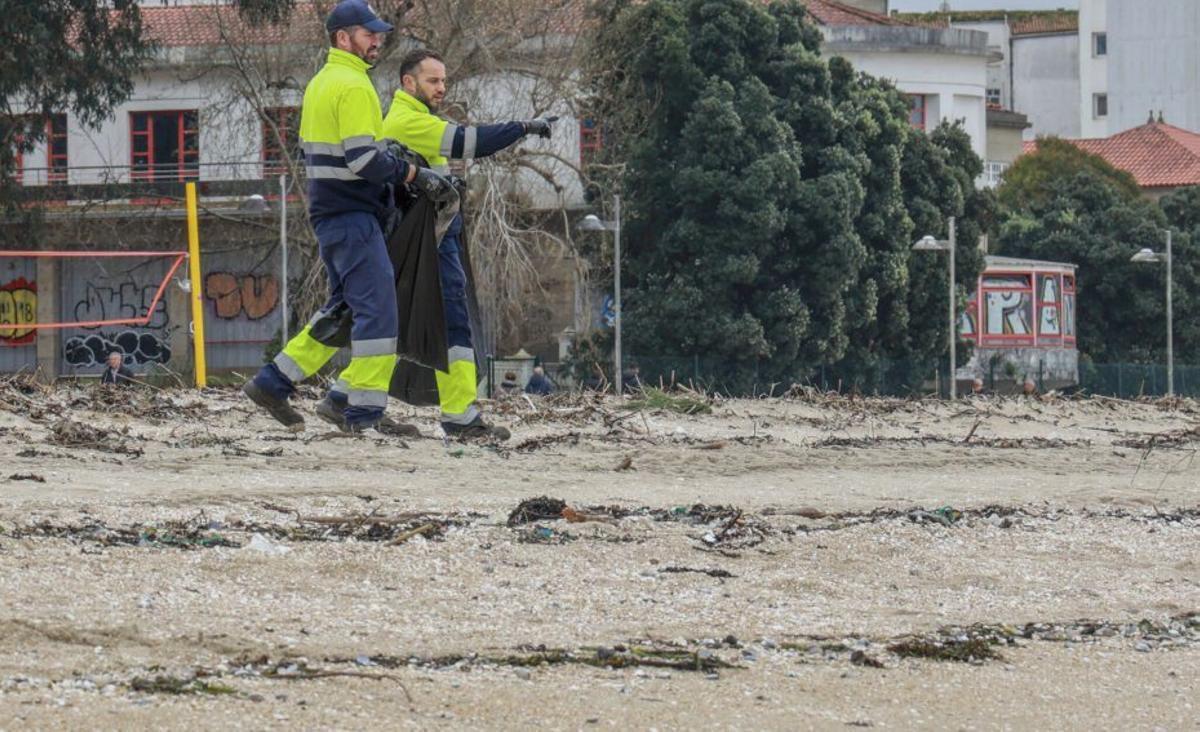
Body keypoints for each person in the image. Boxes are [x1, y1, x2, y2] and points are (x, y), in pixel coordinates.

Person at [242, 0, 452, 434]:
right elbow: (363, 160)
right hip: (353, 213)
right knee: (379, 312)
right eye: (368, 33)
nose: (377, 40)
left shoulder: (322, 82)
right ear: (343, 38)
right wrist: (414, 173)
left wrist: (389, 159)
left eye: (378, 33)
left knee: (343, 311)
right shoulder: (354, 85)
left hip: (331, 212)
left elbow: (340, 152)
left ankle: (274, 382)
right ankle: (363, 414)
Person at [381, 48, 555, 440]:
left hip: (436, 236)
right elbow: (468, 141)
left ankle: (359, 403)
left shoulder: (416, 118)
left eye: (444, 80)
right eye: (433, 81)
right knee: (447, 323)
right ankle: (457, 415)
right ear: (408, 83)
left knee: (409, 323)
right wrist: (522, 127)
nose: (442, 88)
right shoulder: (409, 121)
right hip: (431, 240)